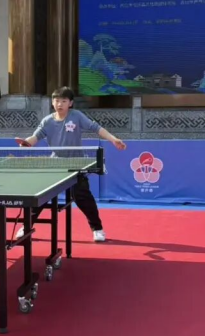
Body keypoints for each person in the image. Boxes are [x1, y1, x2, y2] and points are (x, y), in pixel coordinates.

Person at [16, 87, 127, 243]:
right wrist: (26, 143)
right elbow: (35, 137)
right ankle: (26, 226)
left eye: (63, 101)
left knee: (83, 197)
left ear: (70, 103)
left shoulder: (76, 116)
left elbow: (96, 128)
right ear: (52, 102)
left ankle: (97, 229)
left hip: (76, 164)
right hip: (56, 164)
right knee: (40, 196)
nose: (59, 104)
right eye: (56, 100)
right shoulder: (47, 121)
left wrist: (113, 139)